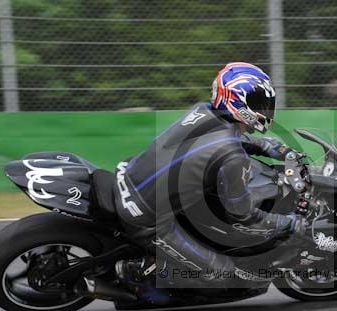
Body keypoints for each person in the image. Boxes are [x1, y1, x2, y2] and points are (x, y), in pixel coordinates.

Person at [113, 62, 307, 289]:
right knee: (223, 274)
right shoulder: (232, 157)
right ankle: (139, 276)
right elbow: (243, 215)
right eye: (259, 104)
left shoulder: (203, 111)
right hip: (147, 219)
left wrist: (271, 147)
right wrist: (289, 223)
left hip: (129, 176)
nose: (265, 110)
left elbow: (226, 141)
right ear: (237, 100)